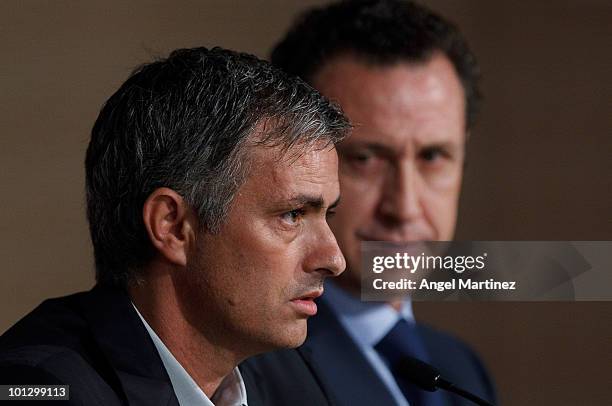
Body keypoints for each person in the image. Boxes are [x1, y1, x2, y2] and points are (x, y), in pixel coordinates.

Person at [0, 46, 350, 405]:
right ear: (172, 226)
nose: (334, 258)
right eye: (292, 215)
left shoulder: (292, 379)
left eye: (328, 215)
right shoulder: (40, 388)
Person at [240, 1, 496, 405]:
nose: (405, 208)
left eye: (432, 157)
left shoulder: (462, 367)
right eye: (365, 159)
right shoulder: (244, 374)